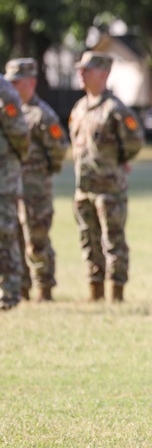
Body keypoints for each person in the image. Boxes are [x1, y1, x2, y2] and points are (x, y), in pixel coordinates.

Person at [69, 51, 144, 302]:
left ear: (103, 73)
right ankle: (95, 290)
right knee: (88, 242)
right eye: (80, 69)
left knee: (113, 242)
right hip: (84, 188)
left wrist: (120, 160)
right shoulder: (79, 108)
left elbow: (134, 141)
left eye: (86, 70)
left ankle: (116, 292)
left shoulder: (115, 109)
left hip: (109, 188)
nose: (81, 73)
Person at [6, 58, 69, 302]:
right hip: (13, 186)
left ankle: (44, 288)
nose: (12, 86)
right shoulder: (9, 111)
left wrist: (43, 172)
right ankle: (22, 287)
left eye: (16, 82)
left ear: (31, 82)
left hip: (36, 188)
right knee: (16, 237)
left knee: (37, 237)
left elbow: (59, 147)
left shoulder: (42, 115)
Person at [0, 76, 29, 310]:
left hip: (3, 178)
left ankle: (10, 293)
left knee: (5, 233)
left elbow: (20, 135)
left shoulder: (4, 90)